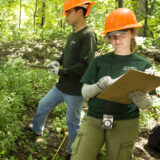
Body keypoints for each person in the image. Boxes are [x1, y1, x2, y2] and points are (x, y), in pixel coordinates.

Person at [70, 8, 156, 160]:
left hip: (126, 120)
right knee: (80, 156)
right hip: (95, 118)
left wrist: (144, 101)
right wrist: (100, 86)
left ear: (132, 33)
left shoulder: (144, 65)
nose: (117, 40)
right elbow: (85, 92)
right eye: (112, 36)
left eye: (122, 35)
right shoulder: (99, 61)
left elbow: (148, 103)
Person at [27, 0, 97, 158]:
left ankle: (75, 153)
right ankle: (36, 130)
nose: (65, 16)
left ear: (80, 11)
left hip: (75, 90)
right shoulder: (73, 34)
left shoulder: (88, 35)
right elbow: (65, 55)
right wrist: (57, 61)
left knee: (72, 123)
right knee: (43, 104)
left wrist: (61, 72)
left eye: (68, 12)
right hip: (61, 86)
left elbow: (85, 65)